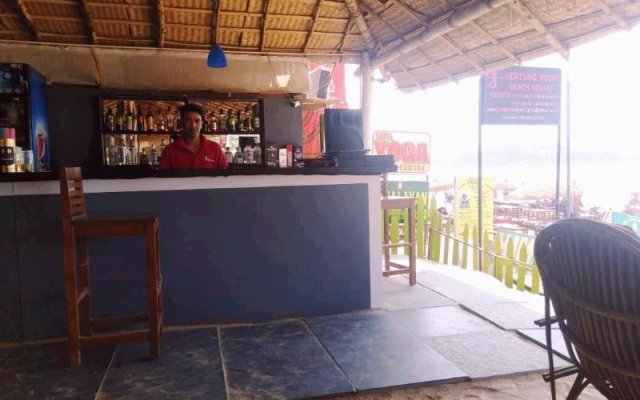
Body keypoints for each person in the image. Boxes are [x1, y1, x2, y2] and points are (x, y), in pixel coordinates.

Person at [159, 103, 227, 169]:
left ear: (202, 123)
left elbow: (225, 177)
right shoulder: (169, 151)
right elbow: (162, 179)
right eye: (188, 121)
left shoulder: (215, 148)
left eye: (197, 121)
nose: (193, 126)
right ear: (182, 123)